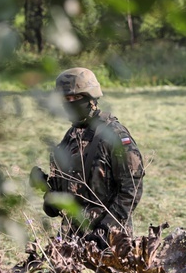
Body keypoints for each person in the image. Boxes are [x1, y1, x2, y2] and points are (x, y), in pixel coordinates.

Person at [30, 67, 145, 244]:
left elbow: (131, 189)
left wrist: (106, 229)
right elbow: (58, 206)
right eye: (66, 99)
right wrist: (46, 189)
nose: (71, 103)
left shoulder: (114, 135)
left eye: (77, 98)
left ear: (92, 98)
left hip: (111, 239)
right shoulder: (70, 138)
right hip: (72, 239)